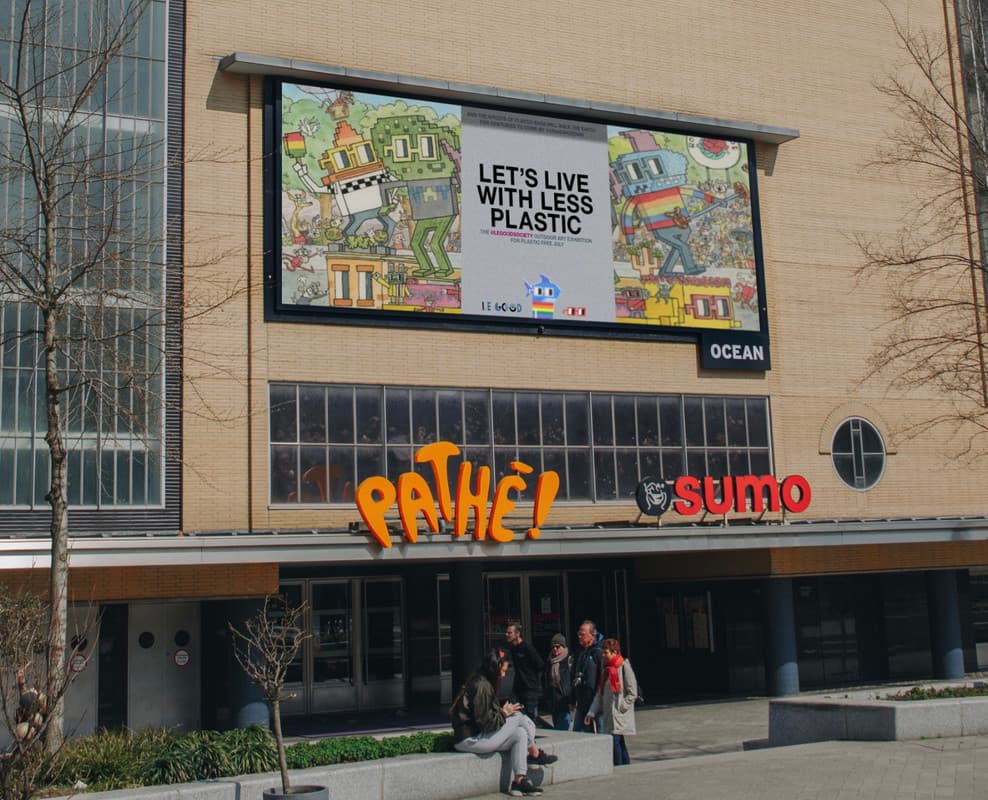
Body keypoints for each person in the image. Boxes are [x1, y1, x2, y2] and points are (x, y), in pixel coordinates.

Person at [451, 648, 559, 797]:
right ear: (494, 669)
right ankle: (534, 754)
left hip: (475, 737)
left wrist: (503, 712)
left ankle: (519, 781)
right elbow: (486, 723)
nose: (503, 675)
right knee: (518, 716)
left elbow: (485, 718)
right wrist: (504, 713)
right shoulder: (482, 686)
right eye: (502, 671)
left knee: (520, 733)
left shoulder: (482, 681)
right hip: (470, 740)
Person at [583, 638, 637, 766]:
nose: (603, 655)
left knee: (615, 741)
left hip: (618, 713)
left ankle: (619, 767)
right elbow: (599, 694)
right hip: (609, 713)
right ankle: (625, 766)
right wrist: (591, 712)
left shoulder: (623, 667)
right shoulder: (606, 670)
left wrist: (622, 706)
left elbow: (632, 692)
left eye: (606, 652)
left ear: (614, 652)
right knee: (619, 741)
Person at [505, 622, 544, 723]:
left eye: (509, 633)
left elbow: (540, 664)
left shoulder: (527, 648)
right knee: (513, 711)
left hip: (530, 688)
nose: (507, 635)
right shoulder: (512, 648)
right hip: (518, 687)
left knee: (530, 717)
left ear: (517, 634)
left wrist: (534, 680)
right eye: (506, 632)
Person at [569, 620, 603, 733]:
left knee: (603, 733)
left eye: (582, 634)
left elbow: (603, 677)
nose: (579, 637)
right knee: (579, 733)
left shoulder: (599, 653)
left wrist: (599, 698)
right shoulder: (580, 653)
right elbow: (575, 676)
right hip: (582, 702)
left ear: (592, 635)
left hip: (597, 702)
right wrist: (573, 698)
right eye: (578, 634)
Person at [542, 633, 573, 731]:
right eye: (553, 647)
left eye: (558, 646)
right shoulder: (549, 661)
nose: (555, 649)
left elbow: (572, 680)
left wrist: (572, 699)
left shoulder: (569, 660)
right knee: (557, 729)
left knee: (562, 730)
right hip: (554, 702)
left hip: (565, 701)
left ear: (563, 647)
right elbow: (546, 680)